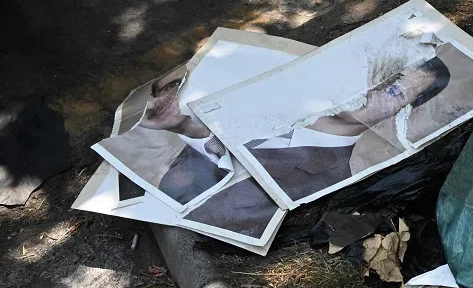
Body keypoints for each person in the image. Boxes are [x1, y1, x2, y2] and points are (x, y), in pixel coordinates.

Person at [246, 56, 450, 202]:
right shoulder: (284, 92)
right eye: (381, 74)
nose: (373, 90)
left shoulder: (328, 176)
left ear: (400, 112)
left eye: (394, 91)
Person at [138, 66, 279, 238]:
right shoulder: (174, 186)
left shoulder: (272, 112)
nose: (154, 104)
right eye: (159, 93)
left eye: (173, 85)